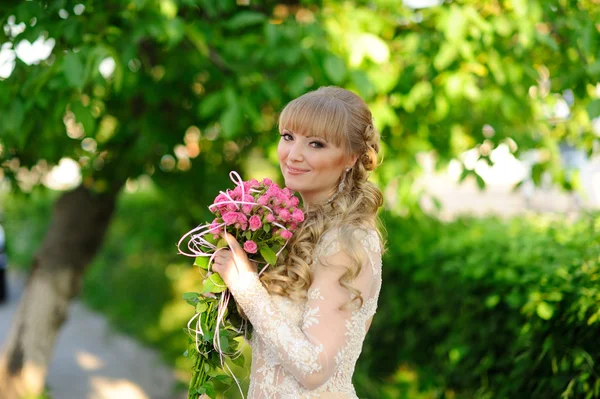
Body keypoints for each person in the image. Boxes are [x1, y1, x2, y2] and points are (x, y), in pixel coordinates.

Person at [212, 86, 384, 399]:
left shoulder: (347, 241)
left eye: (316, 144)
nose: (293, 155)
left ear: (351, 157)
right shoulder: (297, 229)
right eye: (288, 136)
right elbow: (277, 347)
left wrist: (247, 288)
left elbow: (314, 370)